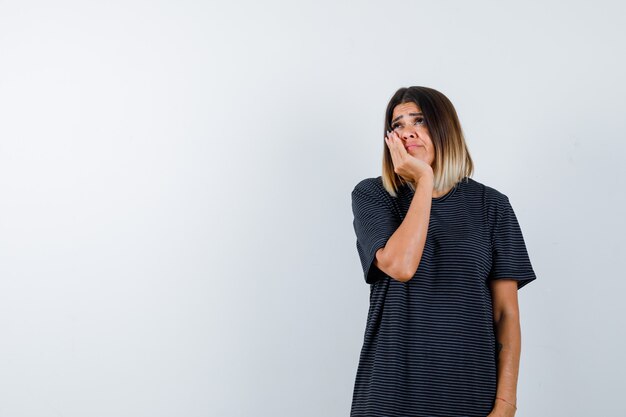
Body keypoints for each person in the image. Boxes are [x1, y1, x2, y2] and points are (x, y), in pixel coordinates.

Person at [350, 86, 537, 417]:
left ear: (444, 127)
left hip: (469, 394)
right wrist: (424, 181)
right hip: (391, 393)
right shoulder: (374, 195)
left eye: (419, 120)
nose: (407, 132)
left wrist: (506, 404)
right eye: (397, 125)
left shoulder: (491, 206)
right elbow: (401, 266)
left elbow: (506, 313)